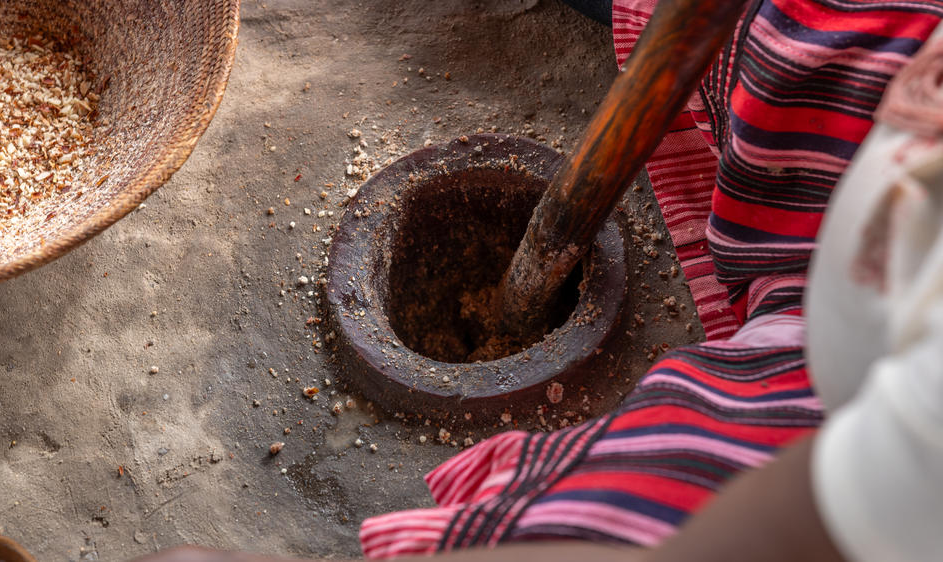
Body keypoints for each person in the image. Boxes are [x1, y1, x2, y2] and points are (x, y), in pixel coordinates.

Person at [138, 1, 943, 560]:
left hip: (834, 417)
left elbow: (750, 543)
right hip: (868, 160)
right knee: (806, 30)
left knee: (649, 498)